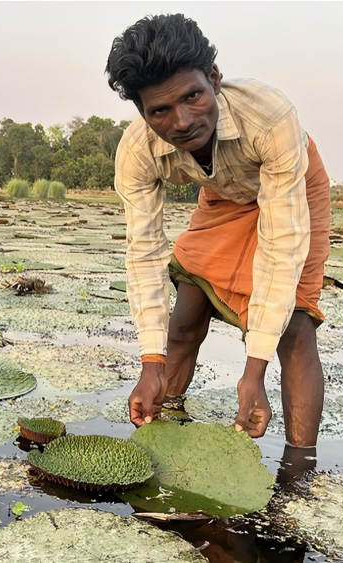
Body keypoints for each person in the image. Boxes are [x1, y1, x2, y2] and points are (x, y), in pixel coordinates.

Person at [106, 14, 330, 448]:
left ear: (214, 79)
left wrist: (254, 368)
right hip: (222, 193)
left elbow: (281, 249)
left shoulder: (269, 117)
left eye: (193, 96)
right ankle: (163, 423)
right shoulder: (137, 152)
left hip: (290, 184)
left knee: (295, 326)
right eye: (160, 111)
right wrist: (150, 362)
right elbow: (145, 254)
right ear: (142, 112)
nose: (183, 121)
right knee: (188, 306)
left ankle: (301, 467)